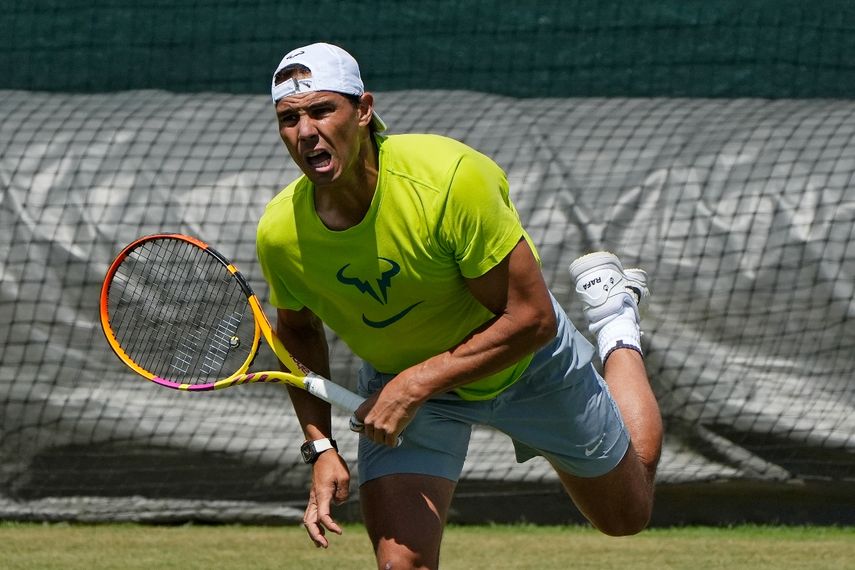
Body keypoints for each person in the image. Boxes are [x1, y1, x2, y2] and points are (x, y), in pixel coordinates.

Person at [256, 42, 663, 569]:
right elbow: (298, 332)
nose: (305, 131)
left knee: (627, 515)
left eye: (321, 110)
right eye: (289, 118)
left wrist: (417, 382)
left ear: (363, 110)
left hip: (525, 364)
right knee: (402, 564)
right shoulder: (281, 232)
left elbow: (532, 319)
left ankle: (615, 324)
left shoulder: (451, 179)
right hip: (408, 390)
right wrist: (321, 447)